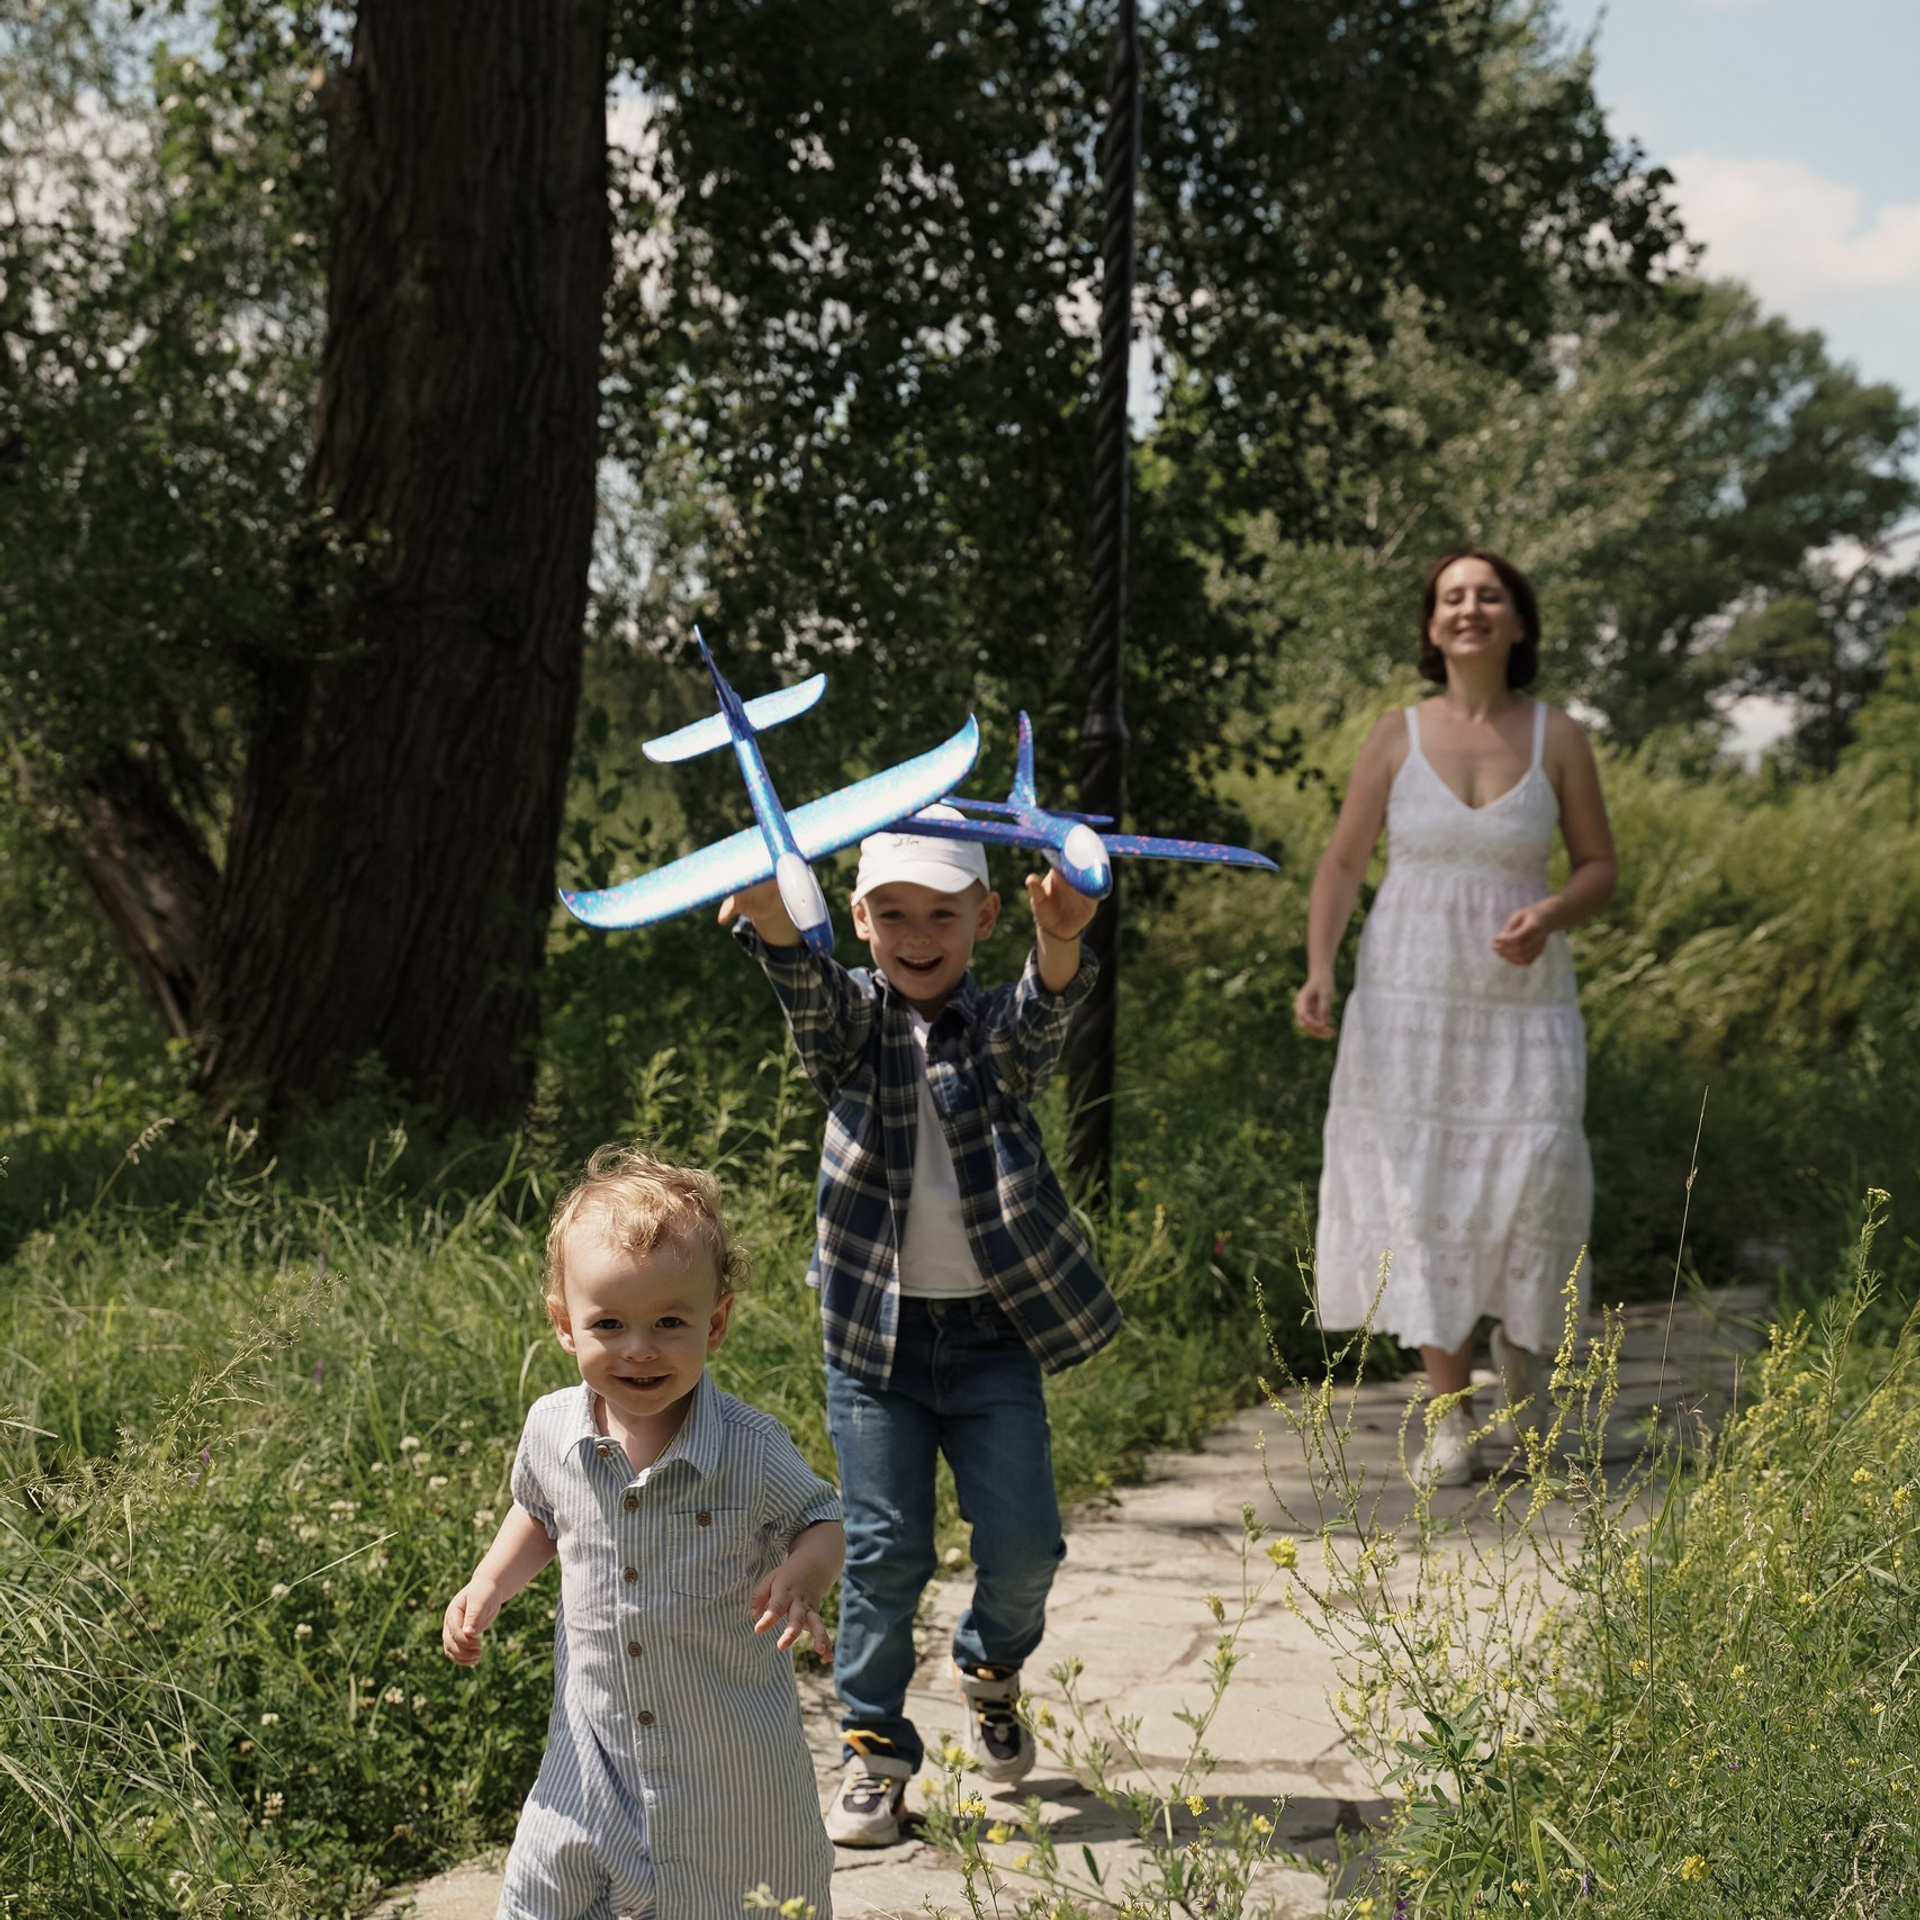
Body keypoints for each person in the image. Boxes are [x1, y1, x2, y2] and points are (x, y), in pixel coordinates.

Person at [722, 809, 1119, 1847]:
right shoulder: (854, 1030)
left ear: (983, 916)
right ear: (857, 919)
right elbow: (807, 998)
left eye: (941, 913)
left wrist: (1062, 935)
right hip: (876, 1349)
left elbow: (1040, 1028)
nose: (916, 933)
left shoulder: (990, 1032)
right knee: (888, 1551)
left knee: (1027, 1543)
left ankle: (990, 1665)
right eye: (892, 912)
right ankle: (874, 1753)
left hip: (991, 1341)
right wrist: (770, 919)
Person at [442, 1146, 845, 1920]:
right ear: (565, 1326)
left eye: (669, 1322)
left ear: (715, 1323)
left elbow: (819, 1518)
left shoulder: (750, 1447)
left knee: (753, 1902)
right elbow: (539, 1514)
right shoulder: (551, 1429)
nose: (639, 1348)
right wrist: (489, 1585)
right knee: (538, 1898)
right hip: (589, 1753)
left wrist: (804, 1575)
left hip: (728, 1769)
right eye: (610, 1323)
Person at [1294, 549, 1617, 1486]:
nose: (1470, 609)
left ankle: (1526, 1379)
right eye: (1452, 598)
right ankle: (1449, 1413)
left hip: (1523, 1006)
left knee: (1542, 1175)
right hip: (1407, 1003)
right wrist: (1319, 971)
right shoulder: (1395, 735)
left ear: (1519, 622)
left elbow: (1600, 868)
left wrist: (1552, 912)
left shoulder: (1560, 736)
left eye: (1489, 596)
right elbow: (1343, 863)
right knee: (1424, 1191)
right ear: (1433, 628)